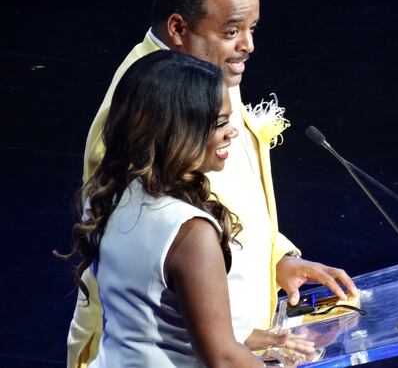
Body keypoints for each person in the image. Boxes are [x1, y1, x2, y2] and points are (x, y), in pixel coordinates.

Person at [68, 0, 357, 368]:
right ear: (178, 28)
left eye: (252, 28)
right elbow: (136, 275)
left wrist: (278, 258)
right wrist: (231, 344)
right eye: (232, 30)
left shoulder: (204, 72)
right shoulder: (145, 111)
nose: (248, 45)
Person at [71, 50, 264, 367]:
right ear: (178, 131)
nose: (234, 131)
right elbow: (223, 358)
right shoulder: (189, 232)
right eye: (220, 123)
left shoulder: (110, 193)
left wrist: (260, 338)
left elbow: (163, 319)